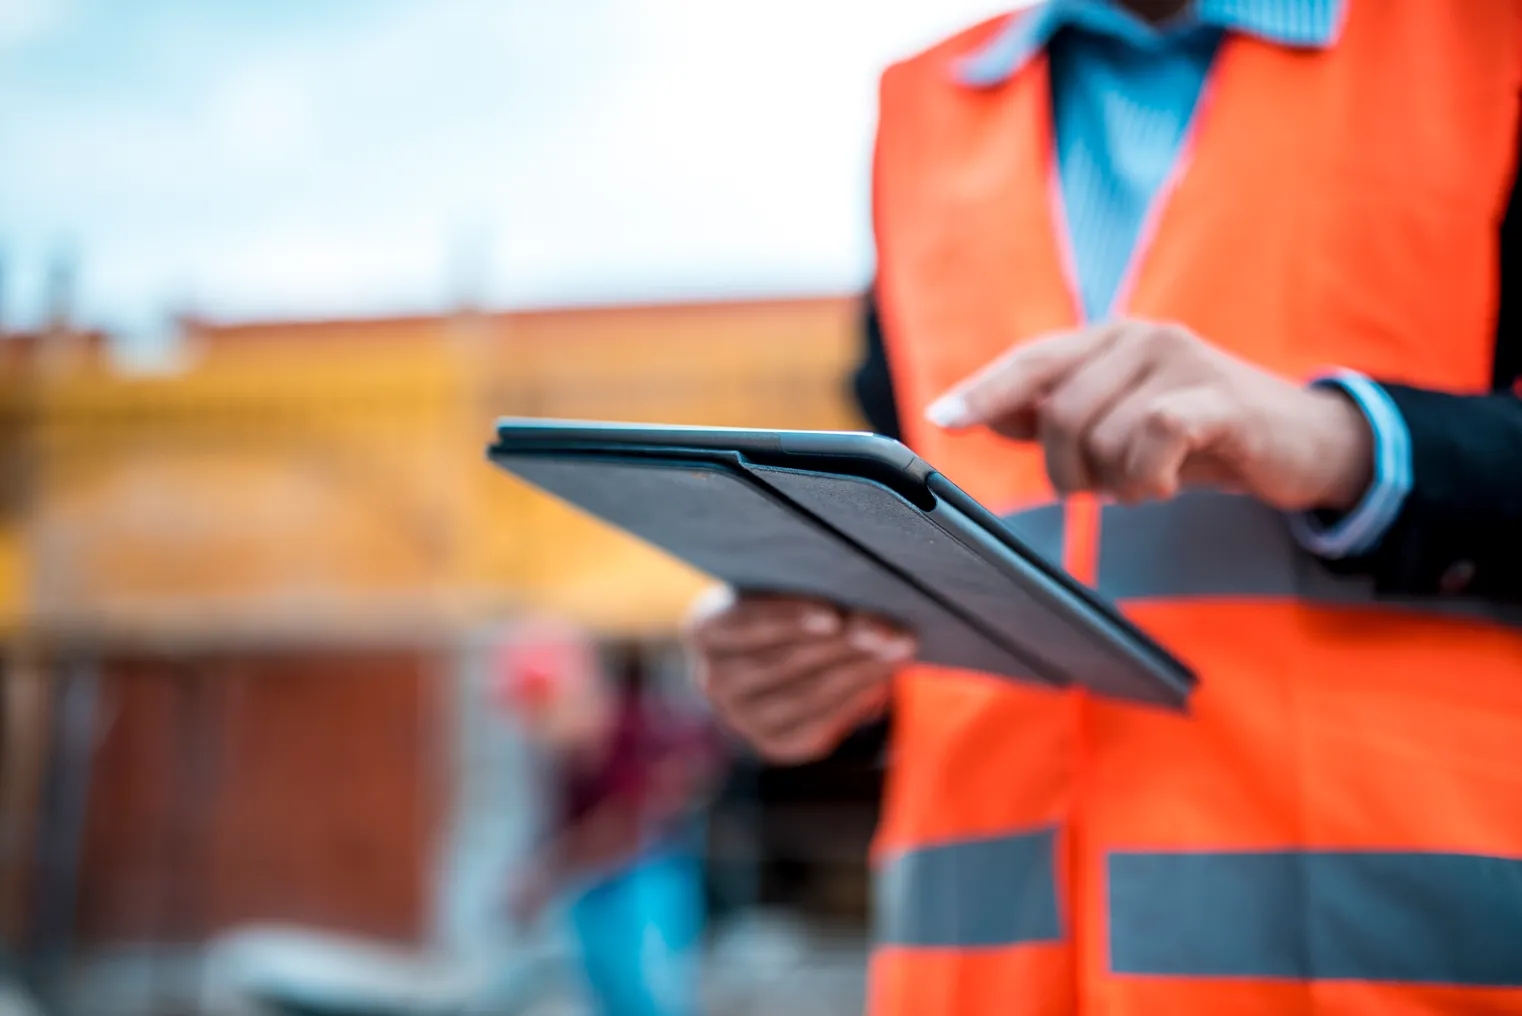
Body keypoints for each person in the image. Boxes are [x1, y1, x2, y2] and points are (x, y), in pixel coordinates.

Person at [689, 2, 1522, 1014]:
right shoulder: (922, 109)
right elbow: (930, 530)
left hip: (1385, 968)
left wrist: (1345, 443)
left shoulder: (1484, 47)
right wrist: (813, 663)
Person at [498, 619, 719, 1016]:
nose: (536, 722)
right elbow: (564, 823)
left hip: (640, 878)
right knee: (606, 995)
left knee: (650, 996)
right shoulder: (563, 755)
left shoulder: (631, 731)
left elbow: (628, 823)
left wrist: (547, 870)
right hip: (591, 886)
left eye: (542, 705)